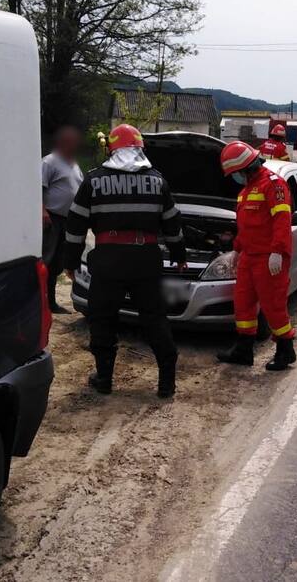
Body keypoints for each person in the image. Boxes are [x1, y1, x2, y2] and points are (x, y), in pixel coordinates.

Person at [63, 124, 186, 398]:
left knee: (102, 320)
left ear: (112, 149)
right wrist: (179, 257)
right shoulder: (158, 180)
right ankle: (167, 383)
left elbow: (75, 226)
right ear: (140, 148)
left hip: (108, 262)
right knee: (155, 320)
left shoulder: (94, 180)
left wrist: (70, 262)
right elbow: (172, 225)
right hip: (146, 262)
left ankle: (104, 379)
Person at [217, 141, 296, 370]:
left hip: (269, 257)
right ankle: (244, 350)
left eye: (236, 173)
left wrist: (278, 251)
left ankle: (285, 350)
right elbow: (246, 226)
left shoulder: (273, 185)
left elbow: (282, 220)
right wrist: (236, 248)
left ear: (246, 168)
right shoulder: (245, 191)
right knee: (242, 303)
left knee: (273, 305)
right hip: (249, 257)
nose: (235, 177)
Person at [42, 125, 84, 313]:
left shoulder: (74, 165)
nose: (73, 145)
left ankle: (51, 303)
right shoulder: (49, 162)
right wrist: (42, 211)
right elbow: (37, 188)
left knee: (58, 263)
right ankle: (41, 303)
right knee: (47, 262)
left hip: (67, 222)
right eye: (69, 141)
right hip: (51, 220)